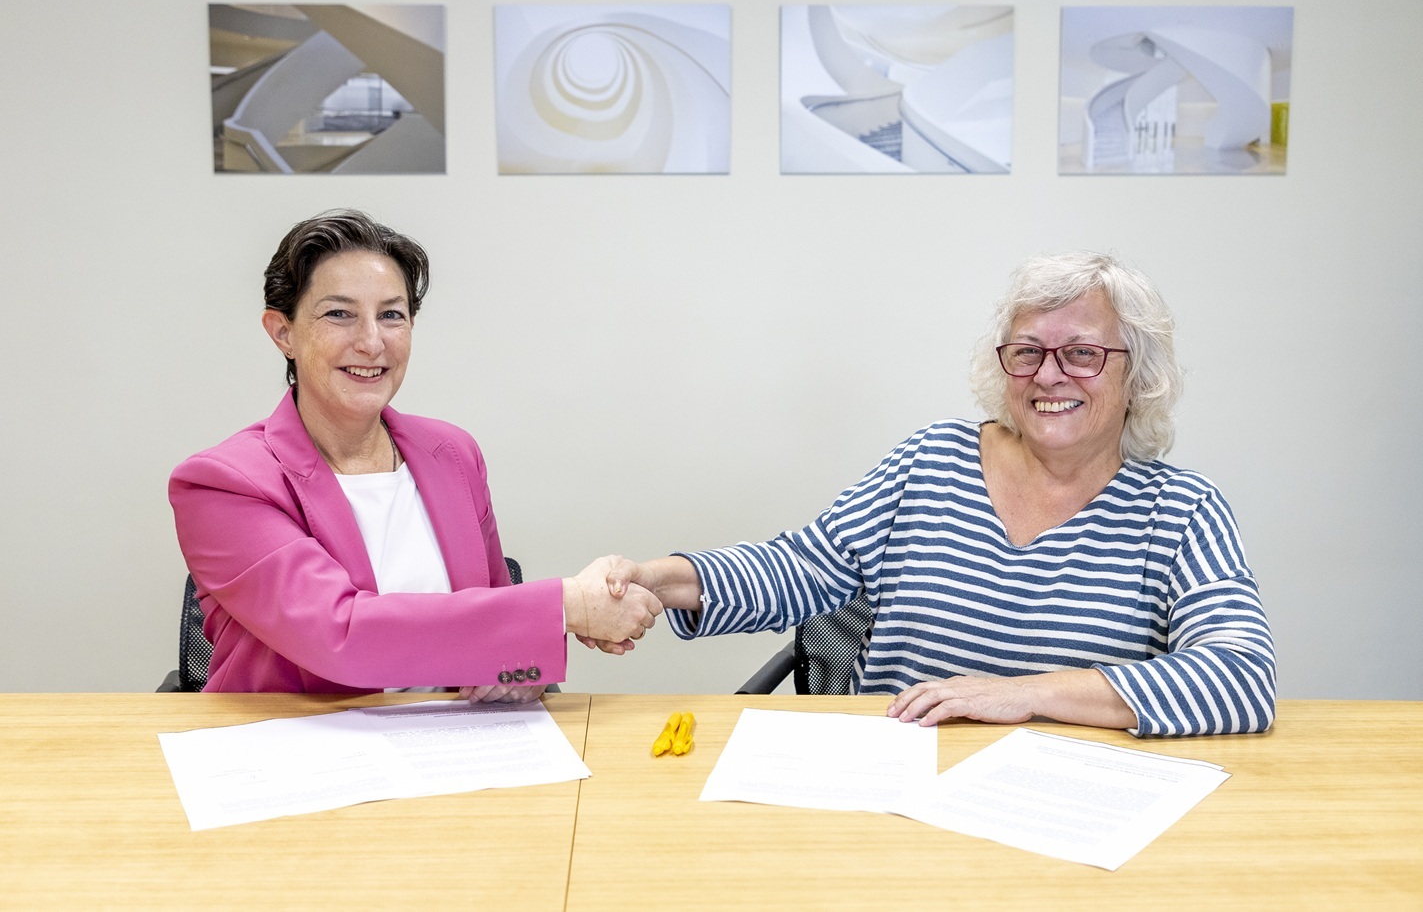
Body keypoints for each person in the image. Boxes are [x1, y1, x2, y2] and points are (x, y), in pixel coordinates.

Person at [603, 251, 1275, 737]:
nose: (1049, 375)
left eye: (1081, 353)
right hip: (898, 784)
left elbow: (1240, 675)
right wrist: (657, 581)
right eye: (1027, 352)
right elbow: (801, 568)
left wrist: (1024, 696)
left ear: (1138, 375)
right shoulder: (933, 461)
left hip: (1071, 809)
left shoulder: (1180, 511)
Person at [170, 210, 660, 695]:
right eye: (339, 314)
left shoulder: (453, 454)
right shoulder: (223, 483)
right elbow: (344, 637)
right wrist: (568, 606)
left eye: (391, 315)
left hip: (451, 735)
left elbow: (498, 621)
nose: (371, 342)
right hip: (299, 738)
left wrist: (517, 674)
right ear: (284, 332)